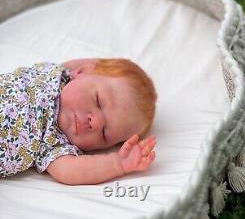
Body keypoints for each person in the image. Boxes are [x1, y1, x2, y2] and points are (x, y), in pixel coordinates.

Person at [0, 58, 157, 185]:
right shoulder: (53, 73)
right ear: (81, 71)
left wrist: (118, 163)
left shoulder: (56, 144)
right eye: (98, 101)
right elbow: (92, 65)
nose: (95, 123)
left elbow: (71, 172)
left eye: (105, 134)